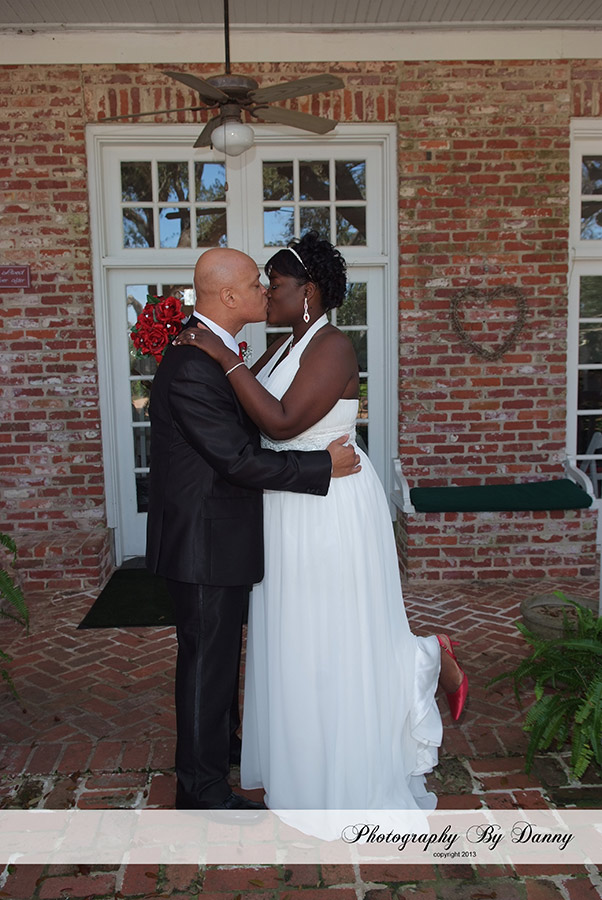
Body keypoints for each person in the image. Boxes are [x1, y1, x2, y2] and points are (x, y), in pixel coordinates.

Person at [174, 232, 468, 811]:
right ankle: (306, 755)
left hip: (330, 505)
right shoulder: (284, 346)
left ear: (307, 291)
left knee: (335, 632)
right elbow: (243, 411)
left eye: (275, 285)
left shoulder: (332, 347)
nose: (267, 294)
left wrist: (225, 357)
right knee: (299, 638)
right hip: (289, 503)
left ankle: (429, 662)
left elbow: (281, 422)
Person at [145, 246, 361, 813]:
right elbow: (238, 460)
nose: (264, 290)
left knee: (218, 660)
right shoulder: (194, 364)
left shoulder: (218, 353)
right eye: (254, 284)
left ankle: (222, 747)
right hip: (202, 541)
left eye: (269, 282)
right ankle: (201, 791)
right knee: (206, 666)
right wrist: (320, 467)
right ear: (228, 296)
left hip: (219, 535)